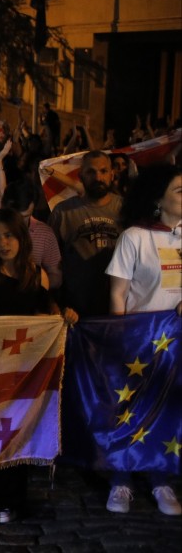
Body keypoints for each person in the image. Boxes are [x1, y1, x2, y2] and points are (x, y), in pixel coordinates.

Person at [0, 208, 77, 523]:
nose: (2, 243)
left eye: (8, 235)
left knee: (16, 430)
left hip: (24, 371)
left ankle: (10, 498)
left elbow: (49, 315)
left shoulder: (36, 274)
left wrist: (66, 316)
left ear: (21, 237)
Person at [103, 163, 182, 516]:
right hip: (138, 340)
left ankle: (161, 480)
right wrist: (121, 337)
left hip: (176, 344)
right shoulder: (133, 237)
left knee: (169, 412)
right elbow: (118, 293)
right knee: (129, 410)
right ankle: (121, 479)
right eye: (179, 190)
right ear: (157, 199)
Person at [47, 150, 123, 317]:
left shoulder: (126, 209)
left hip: (117, 308)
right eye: (91, 172)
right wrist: (53, 303)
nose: (98, 178)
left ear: (112, 174)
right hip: (74, 310)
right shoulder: (63, 212)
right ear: (80, 176)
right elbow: (48, 261)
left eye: (103, 171)